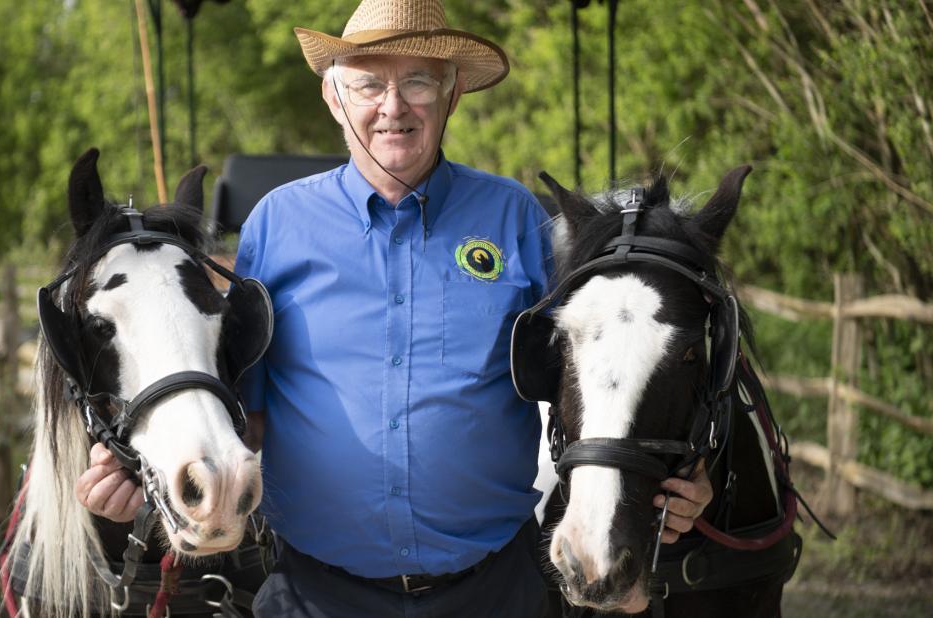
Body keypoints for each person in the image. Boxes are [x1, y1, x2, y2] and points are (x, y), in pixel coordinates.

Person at [75, 1, 713, 616]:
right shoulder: (277, 224)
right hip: (318, 595)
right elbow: (248, 419)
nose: (393, 107)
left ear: (452, 94)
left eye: (417, 82)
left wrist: (682, 478)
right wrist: (145, 471)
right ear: (334, 98)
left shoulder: (514, 216)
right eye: (366, 85)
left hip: (495, 590)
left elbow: (608, 373)